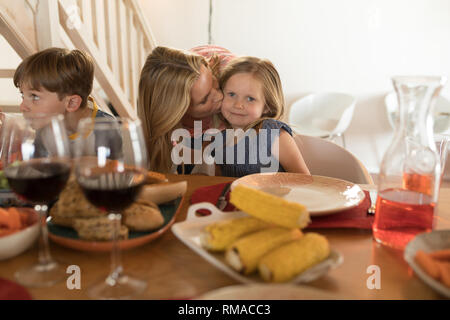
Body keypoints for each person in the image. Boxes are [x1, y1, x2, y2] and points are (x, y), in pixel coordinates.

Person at [137, 45, 235, 174]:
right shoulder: (165, 125)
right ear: (179, 111)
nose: (220, 96)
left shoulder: (232, 73)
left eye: (214, 83)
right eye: (204, 100)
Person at [214, 56, 310, 177]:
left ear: (266, 106)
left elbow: (304, 180)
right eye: (231, 94)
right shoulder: (220, 139)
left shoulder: (272, 133)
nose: (238, 105)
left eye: (250, 99)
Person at [12, 47, 114, 154]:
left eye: (35, 96)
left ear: (71, 103)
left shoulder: (107, 129)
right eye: (23, 95)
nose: (22, 107)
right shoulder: (45, 124)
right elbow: (39, 165)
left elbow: (117, 167)